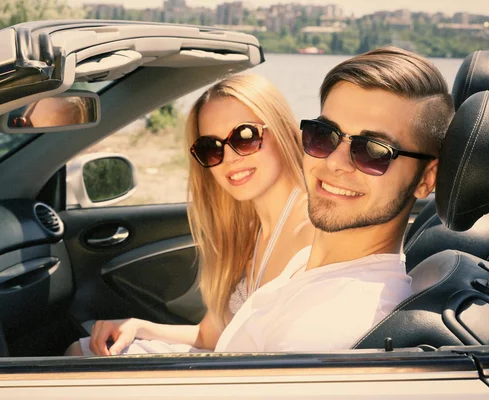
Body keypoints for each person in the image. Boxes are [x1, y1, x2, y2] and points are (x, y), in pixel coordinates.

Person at [215, 46, 455, 352]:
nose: (334, 163)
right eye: (324, 134)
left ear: (426, 179)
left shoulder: (328, 329)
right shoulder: (313, 265)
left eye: (373, 151)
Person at [65, 73, 315, 356]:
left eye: (245, 137)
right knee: (84, 350)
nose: (229, 158)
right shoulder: (252, 232)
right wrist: (136, 325)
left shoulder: (311, 232)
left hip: (256, 381)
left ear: (283, 129)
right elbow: (209, 335)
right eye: (212, 147)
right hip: (233, 369)